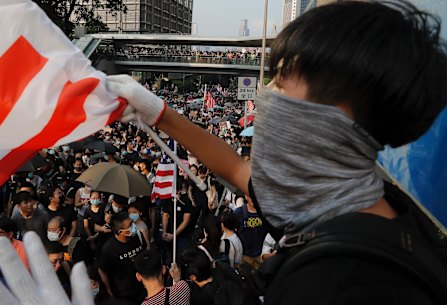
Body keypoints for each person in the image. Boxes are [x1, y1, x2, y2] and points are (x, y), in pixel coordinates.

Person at [106, 1, 447, 303]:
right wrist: (157, 112)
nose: (265, 93)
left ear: (334, 113)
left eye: (281, 81)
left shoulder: (338, 284)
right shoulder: (338, 198)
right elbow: (237, 169)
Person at [98, 212, 146, 304]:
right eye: (130, 225)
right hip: (123, 294)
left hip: (141, 287)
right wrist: (109, 291)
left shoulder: (137, 237)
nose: (134, 226)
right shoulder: (108, 249)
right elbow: (102, 270)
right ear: (120, 231)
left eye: (132, 223)